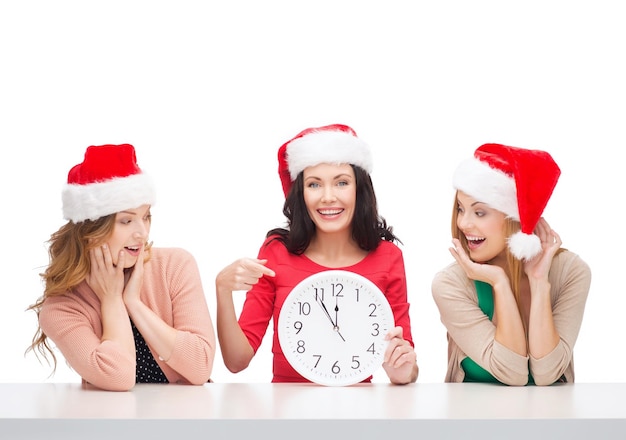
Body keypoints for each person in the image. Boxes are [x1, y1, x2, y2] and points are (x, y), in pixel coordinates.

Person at [215, 124, 418, 384]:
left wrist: (402, 369)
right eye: (314, 184)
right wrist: (223, 289)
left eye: (342, 182)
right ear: (301, 193)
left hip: (360, 409)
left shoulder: (388, 257)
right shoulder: (275, 253)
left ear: (360, 189)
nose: (328, 197)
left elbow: (406, 361)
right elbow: (236, 361)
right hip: (286, 411)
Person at [26, 144, 216, 391]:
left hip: (185, 420)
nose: (143, 233)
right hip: (111, 424)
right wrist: (112, 299)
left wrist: (134, 303)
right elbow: (118, 377)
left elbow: (200, 367)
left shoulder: (175, 265)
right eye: (126, 220)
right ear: (92, 231)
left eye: (146, 216)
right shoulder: (62, 308)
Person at [431, 143, 591, 386]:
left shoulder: (570, 272)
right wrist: (500, 283)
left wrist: (539, 282)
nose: (463, 223)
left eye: (480, 213)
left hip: (551, 420)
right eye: (460, 209)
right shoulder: (451, 284)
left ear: (516, 221)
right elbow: (513, 373)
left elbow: (548, 374)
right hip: (471, 419)